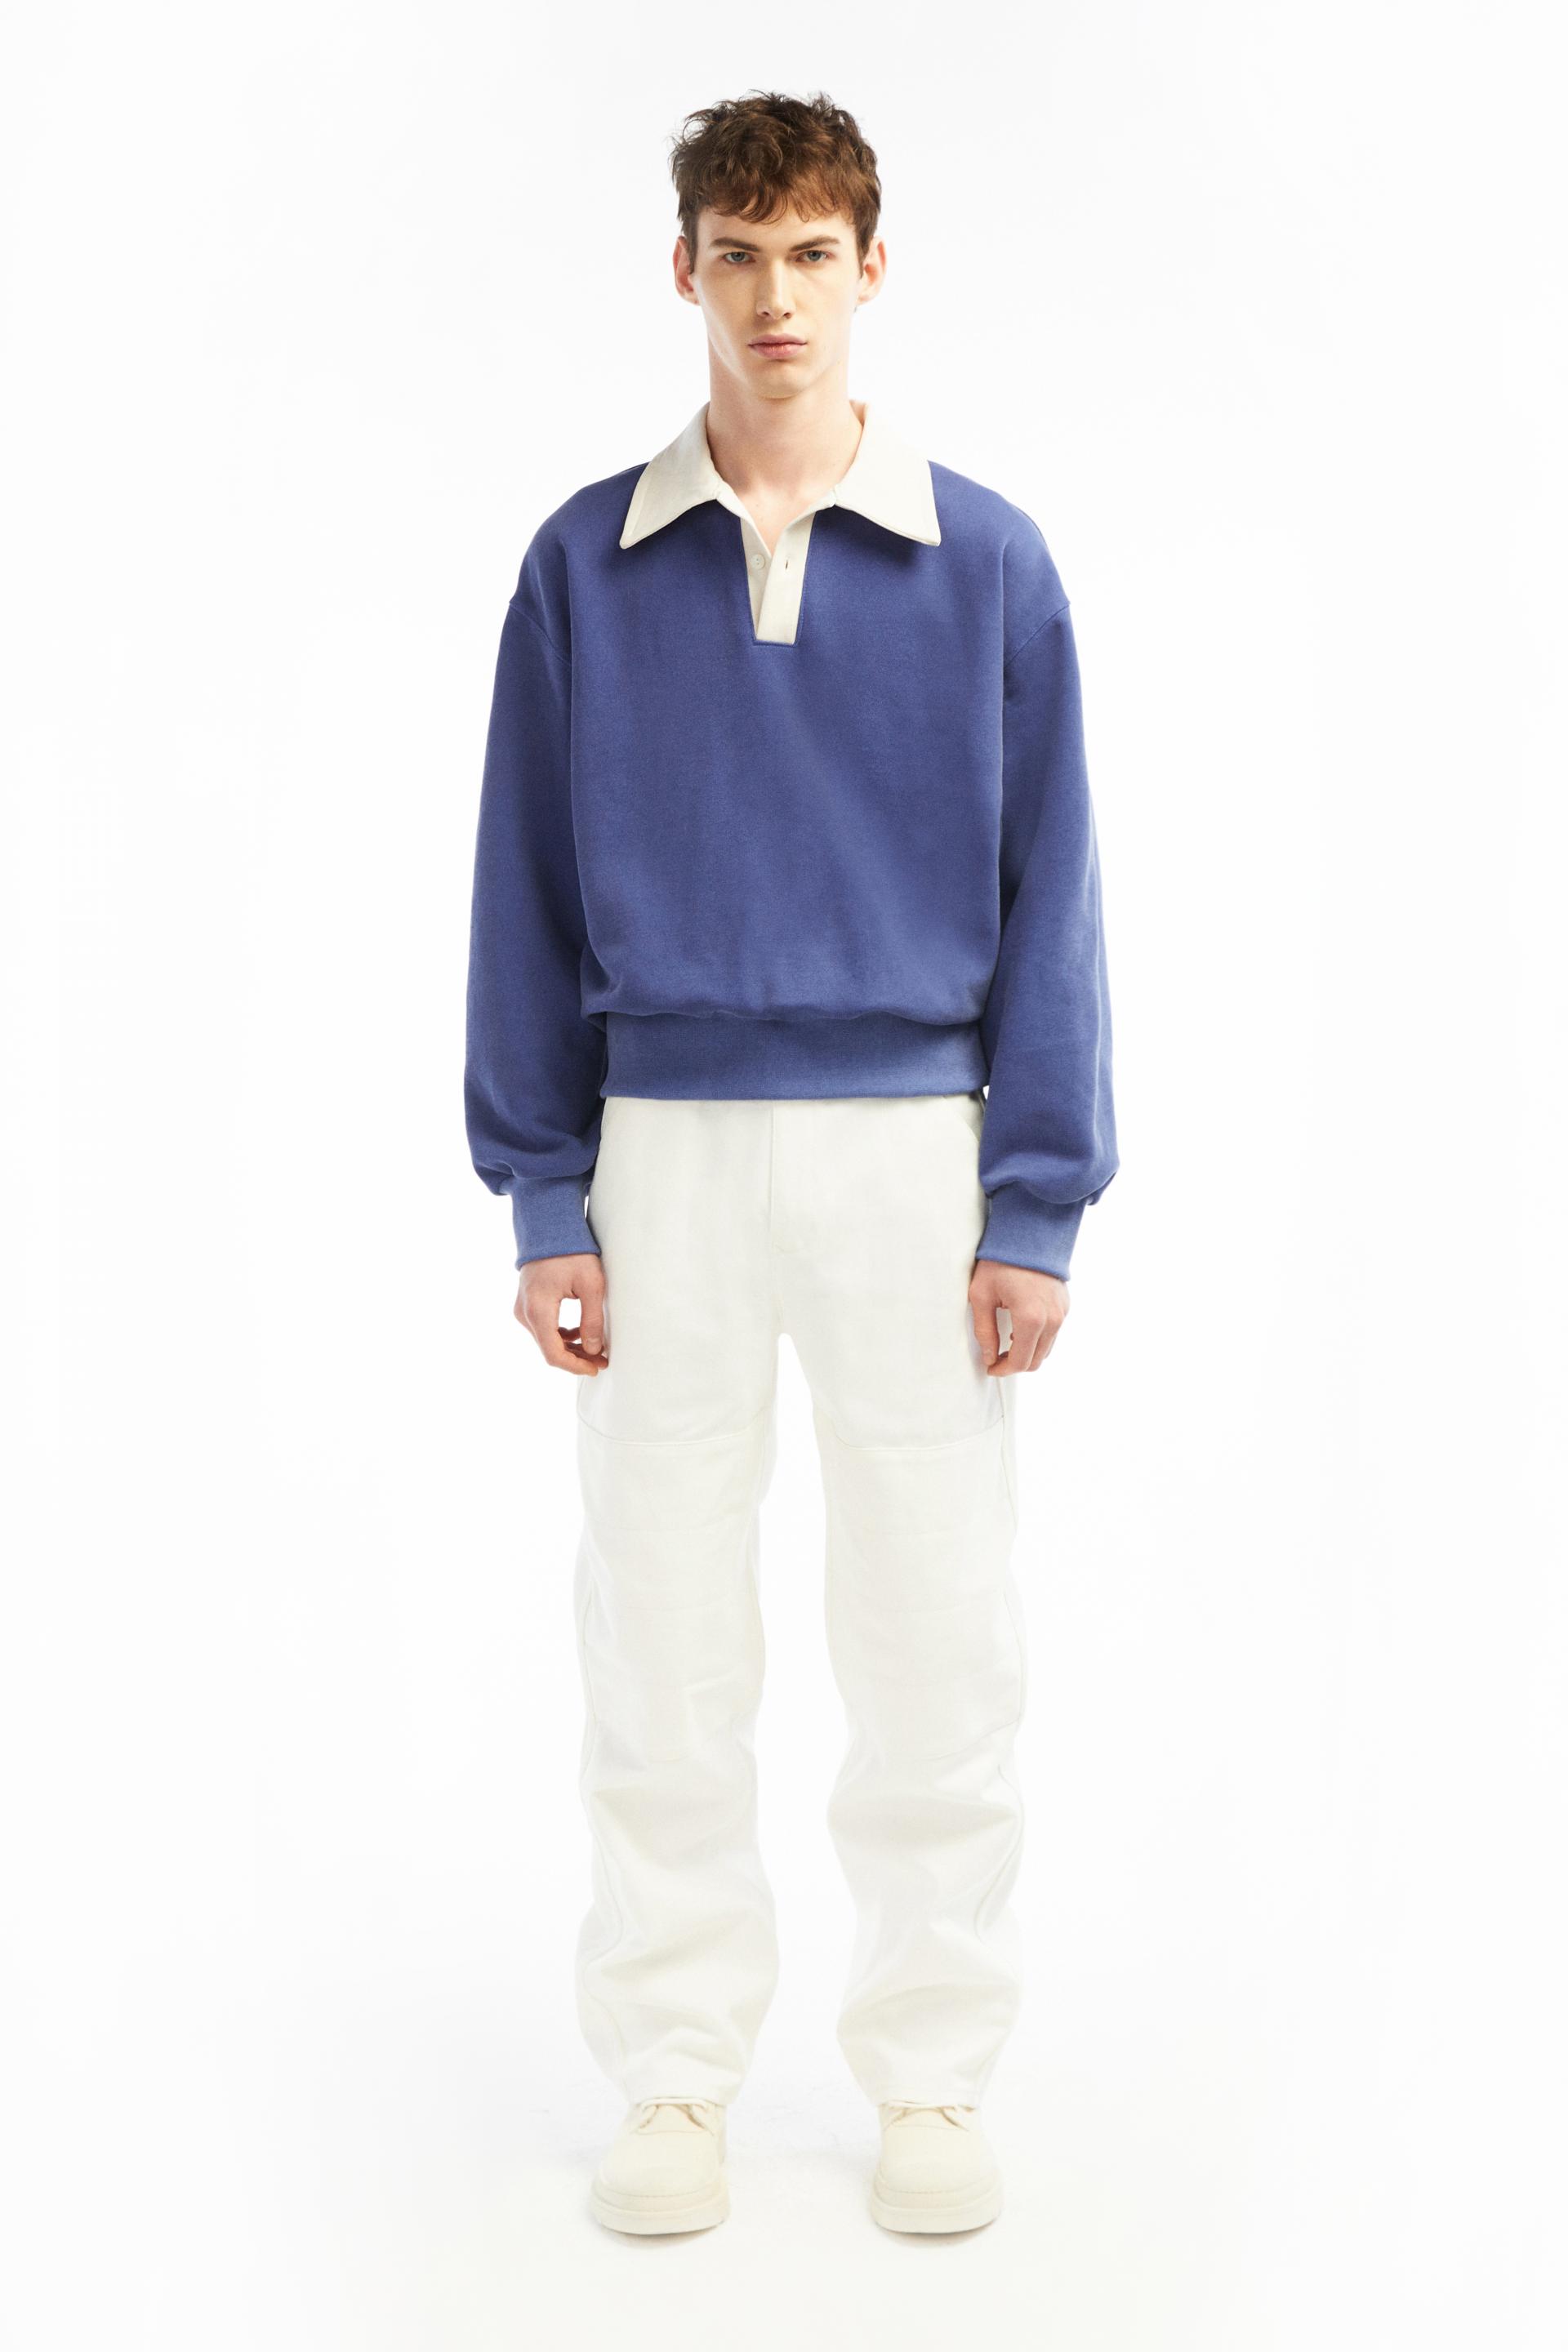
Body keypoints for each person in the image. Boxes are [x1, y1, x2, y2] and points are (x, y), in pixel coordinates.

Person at [464, 87, 1117, 2238]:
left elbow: (1055, 898)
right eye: (737, 255)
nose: (775, 299)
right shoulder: (584, 563)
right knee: (660, 1642)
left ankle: (929, 2077)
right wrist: (543, 1191)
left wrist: (1035, 1201)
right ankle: (674, 2079)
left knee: (936, 1637)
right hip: (660, 1155)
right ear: (684, 270)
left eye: (812, 253)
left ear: (872, 269)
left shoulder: (986, 563)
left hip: (915, 1162)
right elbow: (522, 895)